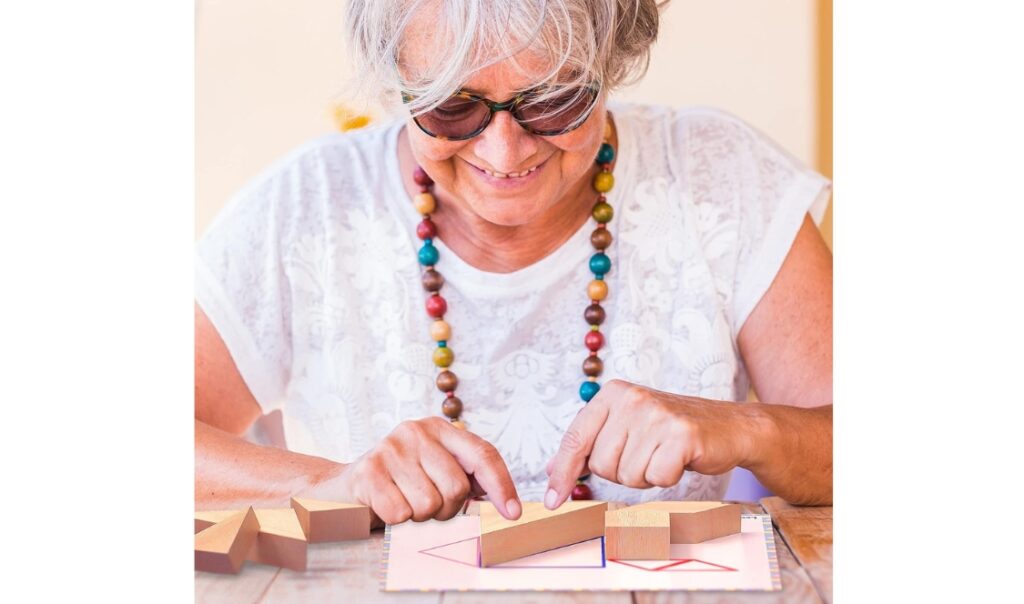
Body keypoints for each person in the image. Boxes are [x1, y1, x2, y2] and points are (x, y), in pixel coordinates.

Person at [195, 0, 832, 527]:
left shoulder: (722, 177)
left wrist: (748, 429)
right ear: (397, 85)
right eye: (452, 105)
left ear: (611, 67)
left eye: (554, 100)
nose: (504, 152)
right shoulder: (306, 206)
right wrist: (337, 483)